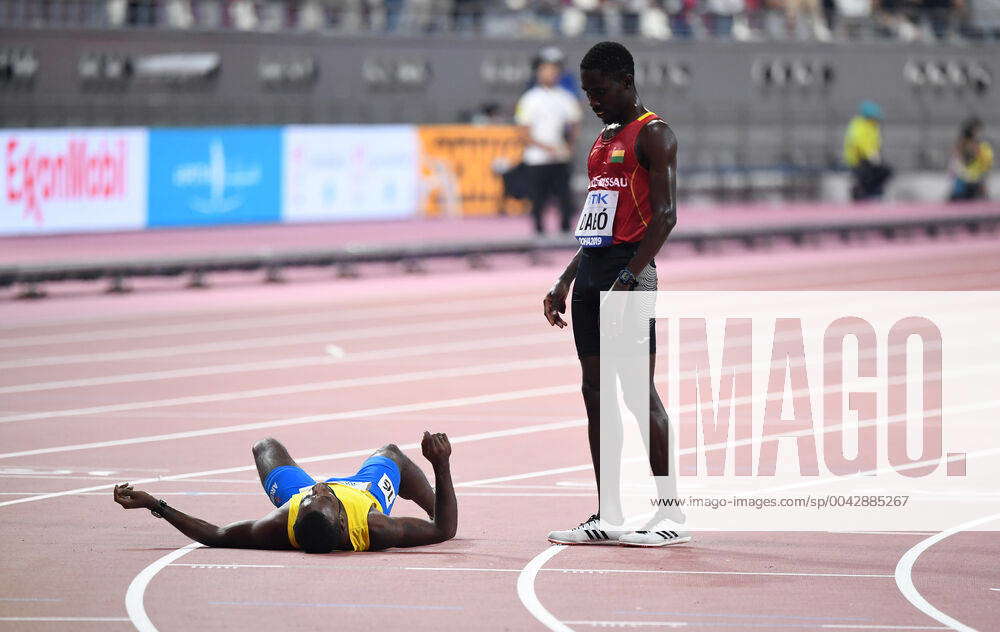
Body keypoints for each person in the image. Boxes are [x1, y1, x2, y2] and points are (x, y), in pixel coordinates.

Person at [541, 41, 689, 548]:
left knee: (637, 393)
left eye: (600, 91)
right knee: (595, 393)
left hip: (631, 273)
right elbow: (596, 224)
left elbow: (665, 217)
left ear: (626, 82)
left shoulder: (655, 135)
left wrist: (631, 273)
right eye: (586, 92)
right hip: (592, 274)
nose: (592, 100)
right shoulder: (602, 142)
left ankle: (672, 513)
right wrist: (565, 279)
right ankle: (609, 512)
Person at [112, 432, 456, 552]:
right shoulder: (374, 527)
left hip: (303, 496)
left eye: (310, 499)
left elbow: (216, 535)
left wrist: (155, 504)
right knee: (392, 453)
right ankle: (431, 504)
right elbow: (445, 531)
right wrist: (441, 464)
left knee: (265, 446)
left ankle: (297, 491)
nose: (320, 487)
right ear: (340, 521)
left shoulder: (281, 524)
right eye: (321, 497)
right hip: (363, 493)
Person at [515, 51, 583, 236]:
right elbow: (523, 133)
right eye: (546, 69)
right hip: (537, 159)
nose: (551, 73)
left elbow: (574, 123)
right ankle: (538, 235)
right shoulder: (530, 99)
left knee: (564, 198)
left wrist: (568, 145)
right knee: (538, 200)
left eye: (554, 70)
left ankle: (565, 233)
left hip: (560, 158)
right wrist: (547, 148)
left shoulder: (566, 98)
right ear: (538, 72)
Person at [843, 100, 893, 201]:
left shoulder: (872, 127)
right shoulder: (860, 126)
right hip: (858, 160)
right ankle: (862, 194)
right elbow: (859, 142)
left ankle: (872, 192)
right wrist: (871, 154)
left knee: (884, 172)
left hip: (870, 158)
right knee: (866, 175)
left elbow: (875, 143)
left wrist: (875, 155)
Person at [949, 117, 993, 201]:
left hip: (975, 179)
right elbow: (960, 161)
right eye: (977, 130)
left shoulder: (980, 146)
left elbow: (983, 163)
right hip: (964, 179)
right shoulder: (962, 144)